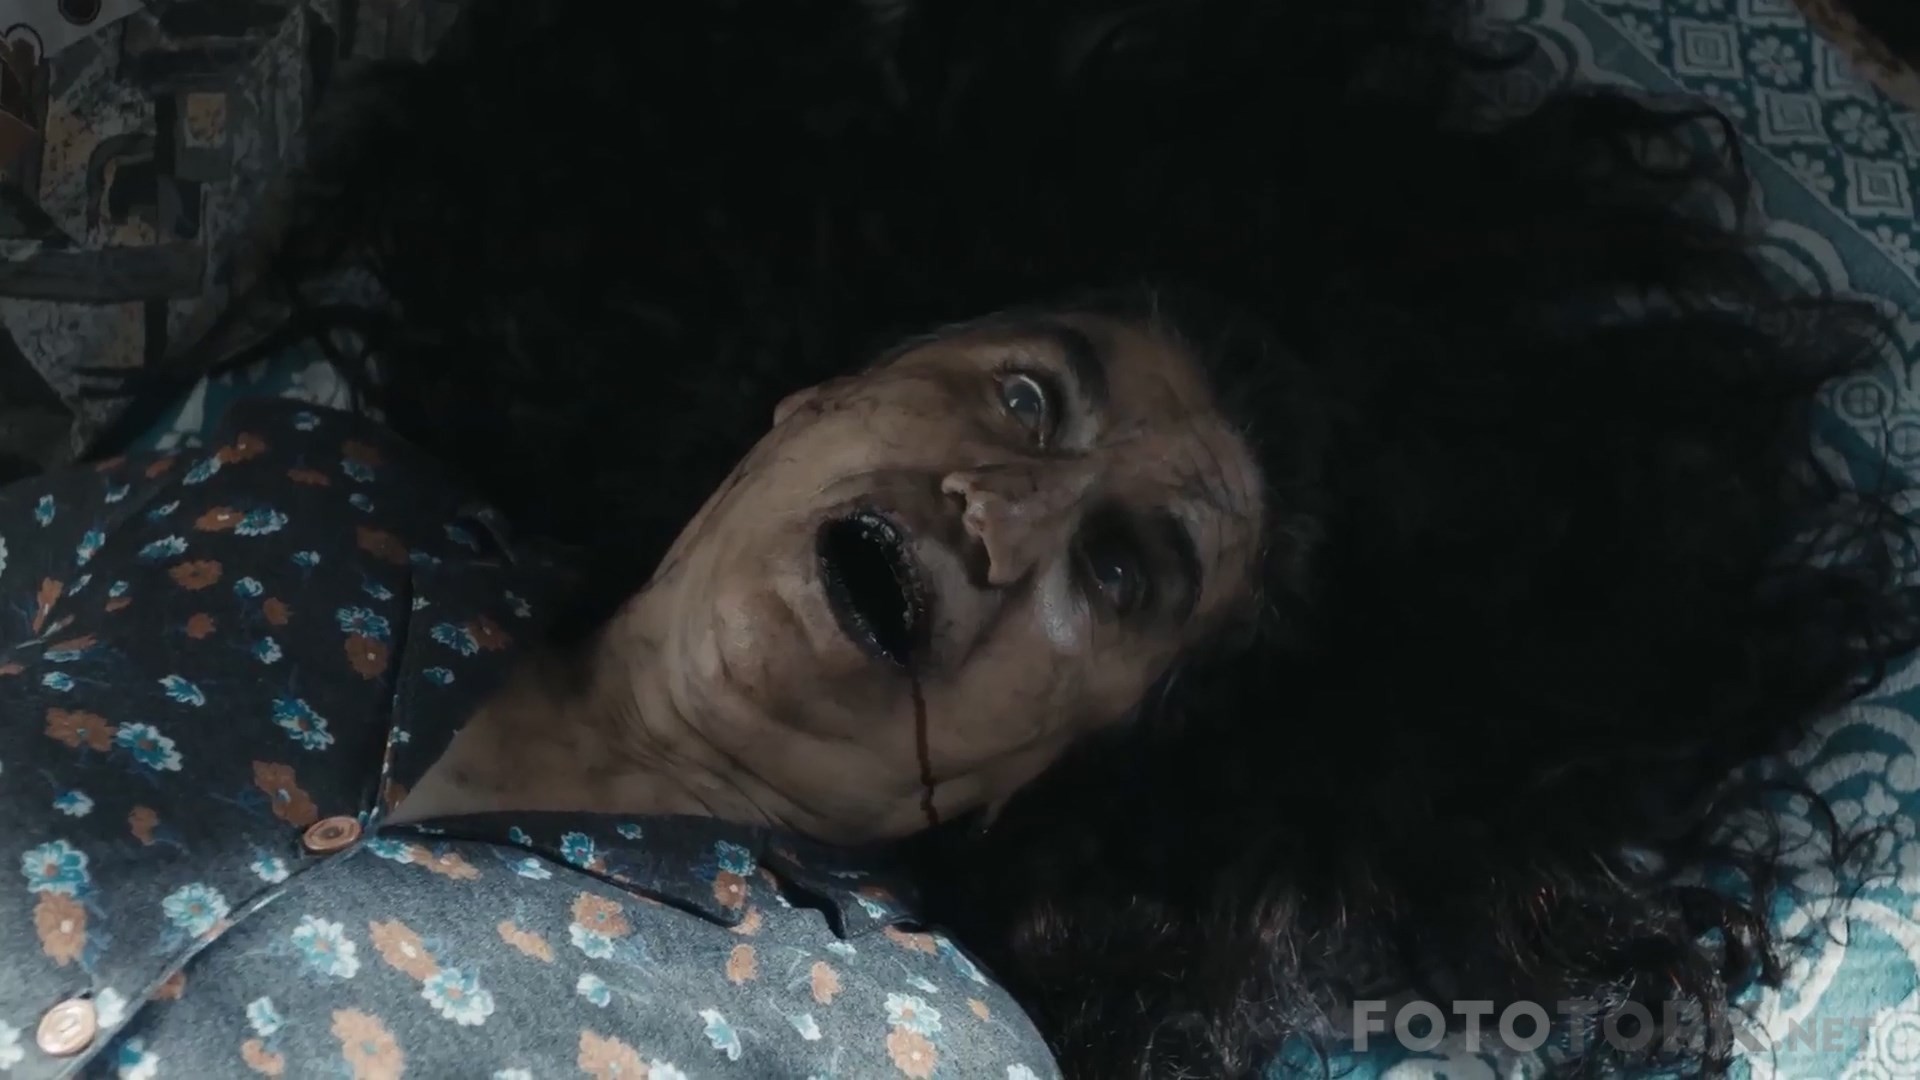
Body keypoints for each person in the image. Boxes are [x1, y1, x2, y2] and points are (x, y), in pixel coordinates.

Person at [22, 2, 1920, 1079]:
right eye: (1025, 397)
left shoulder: (909, 1053)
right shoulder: (286, 489)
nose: (1005, 516)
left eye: (1122, 573)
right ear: (815, 395)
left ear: (1070, 768)